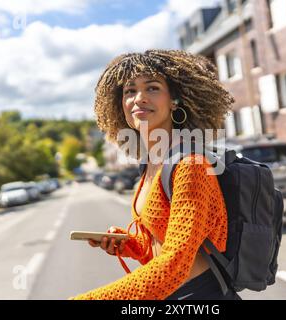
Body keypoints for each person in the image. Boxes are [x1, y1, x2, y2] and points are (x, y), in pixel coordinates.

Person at [69, 49, 241, 300]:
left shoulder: (190, 166)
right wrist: (129, 244)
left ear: (175, 100)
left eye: (152, 88)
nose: (138, 98)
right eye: (129, 91)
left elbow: (175, 265)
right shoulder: (150, 164)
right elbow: (160, 246)